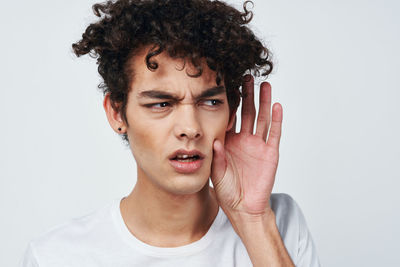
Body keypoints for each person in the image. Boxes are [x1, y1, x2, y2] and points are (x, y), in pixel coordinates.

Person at [21, 0, 320, 266]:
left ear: (231, 113)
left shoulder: (279, 222)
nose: (190, 128)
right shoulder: (56, 257)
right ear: (117, 112)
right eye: (162, 104)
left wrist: (254, 222)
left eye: (211, 101)